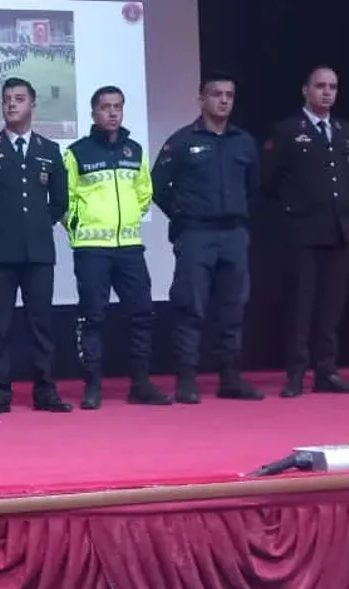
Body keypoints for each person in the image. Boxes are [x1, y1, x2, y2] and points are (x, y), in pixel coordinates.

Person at [0, 77, 72, 416]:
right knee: (0, 325)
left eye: (19, 98)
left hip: (39, 252)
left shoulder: (49, 150)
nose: (11, 104)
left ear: (32, 105)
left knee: (41, 324)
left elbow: (60, 201)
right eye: (7, 98)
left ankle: (45, 390)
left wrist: (38, 226)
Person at [153, 72, 264, 404]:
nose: (224, 100)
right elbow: (157, 186)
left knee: (233, 308)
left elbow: (253, 187)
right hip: (196, 234)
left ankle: (230, 378)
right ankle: (187, 379)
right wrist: (182, 214)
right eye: (217, 94)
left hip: (234, 234)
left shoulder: (244, 141)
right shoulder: (182, 140)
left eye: (229, 95)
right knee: (191, 306)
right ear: (201, 99)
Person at [63, 86, 172, 410]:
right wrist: (79, 225)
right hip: (91, 248)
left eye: (118, 107)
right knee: (92, 317)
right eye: (105, 107)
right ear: (93, 113)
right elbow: (65, 198)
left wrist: (129, 221)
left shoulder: (134, 151)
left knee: (142, 314)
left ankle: (140, 384)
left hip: (129, 247)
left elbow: (144, 193)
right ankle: (92, 386)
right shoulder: (77, 153)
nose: (112, 113)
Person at [260, 66, 349, 397]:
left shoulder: (344, 130)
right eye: (320, 86)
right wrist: (295, 209)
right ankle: (295, 373)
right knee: (301, 307)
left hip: (339, 230)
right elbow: (268, 181)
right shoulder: (288, 130)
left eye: (332, 86)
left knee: (331, 307)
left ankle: (326, 371)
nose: (327, 92)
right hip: (302, 232)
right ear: (306, 90)